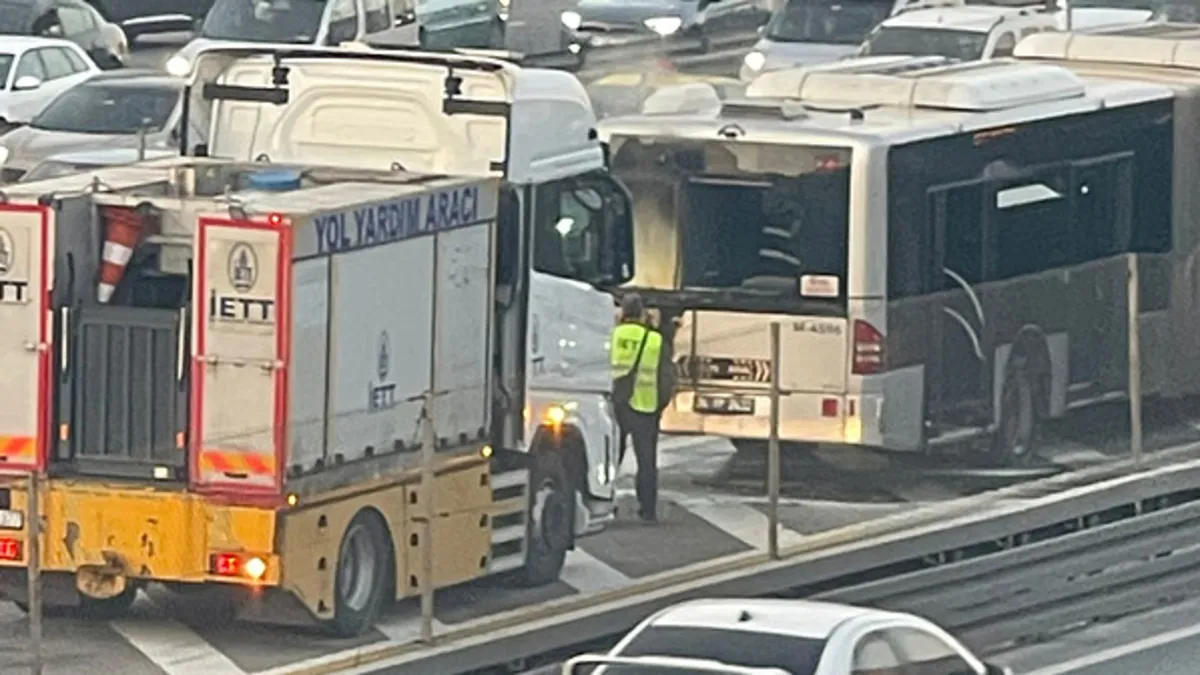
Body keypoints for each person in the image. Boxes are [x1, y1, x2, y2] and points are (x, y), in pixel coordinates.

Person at [610, 293, 673, 523]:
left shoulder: (611, 336)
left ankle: (606, 501)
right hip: (646, 408)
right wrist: (660, 404)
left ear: (623, 313)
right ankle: (647, 509)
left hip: (615, 406)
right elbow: (667, 378)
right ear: (642, 313)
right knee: (646, 462)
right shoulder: (654, 340)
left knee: (609, 460)